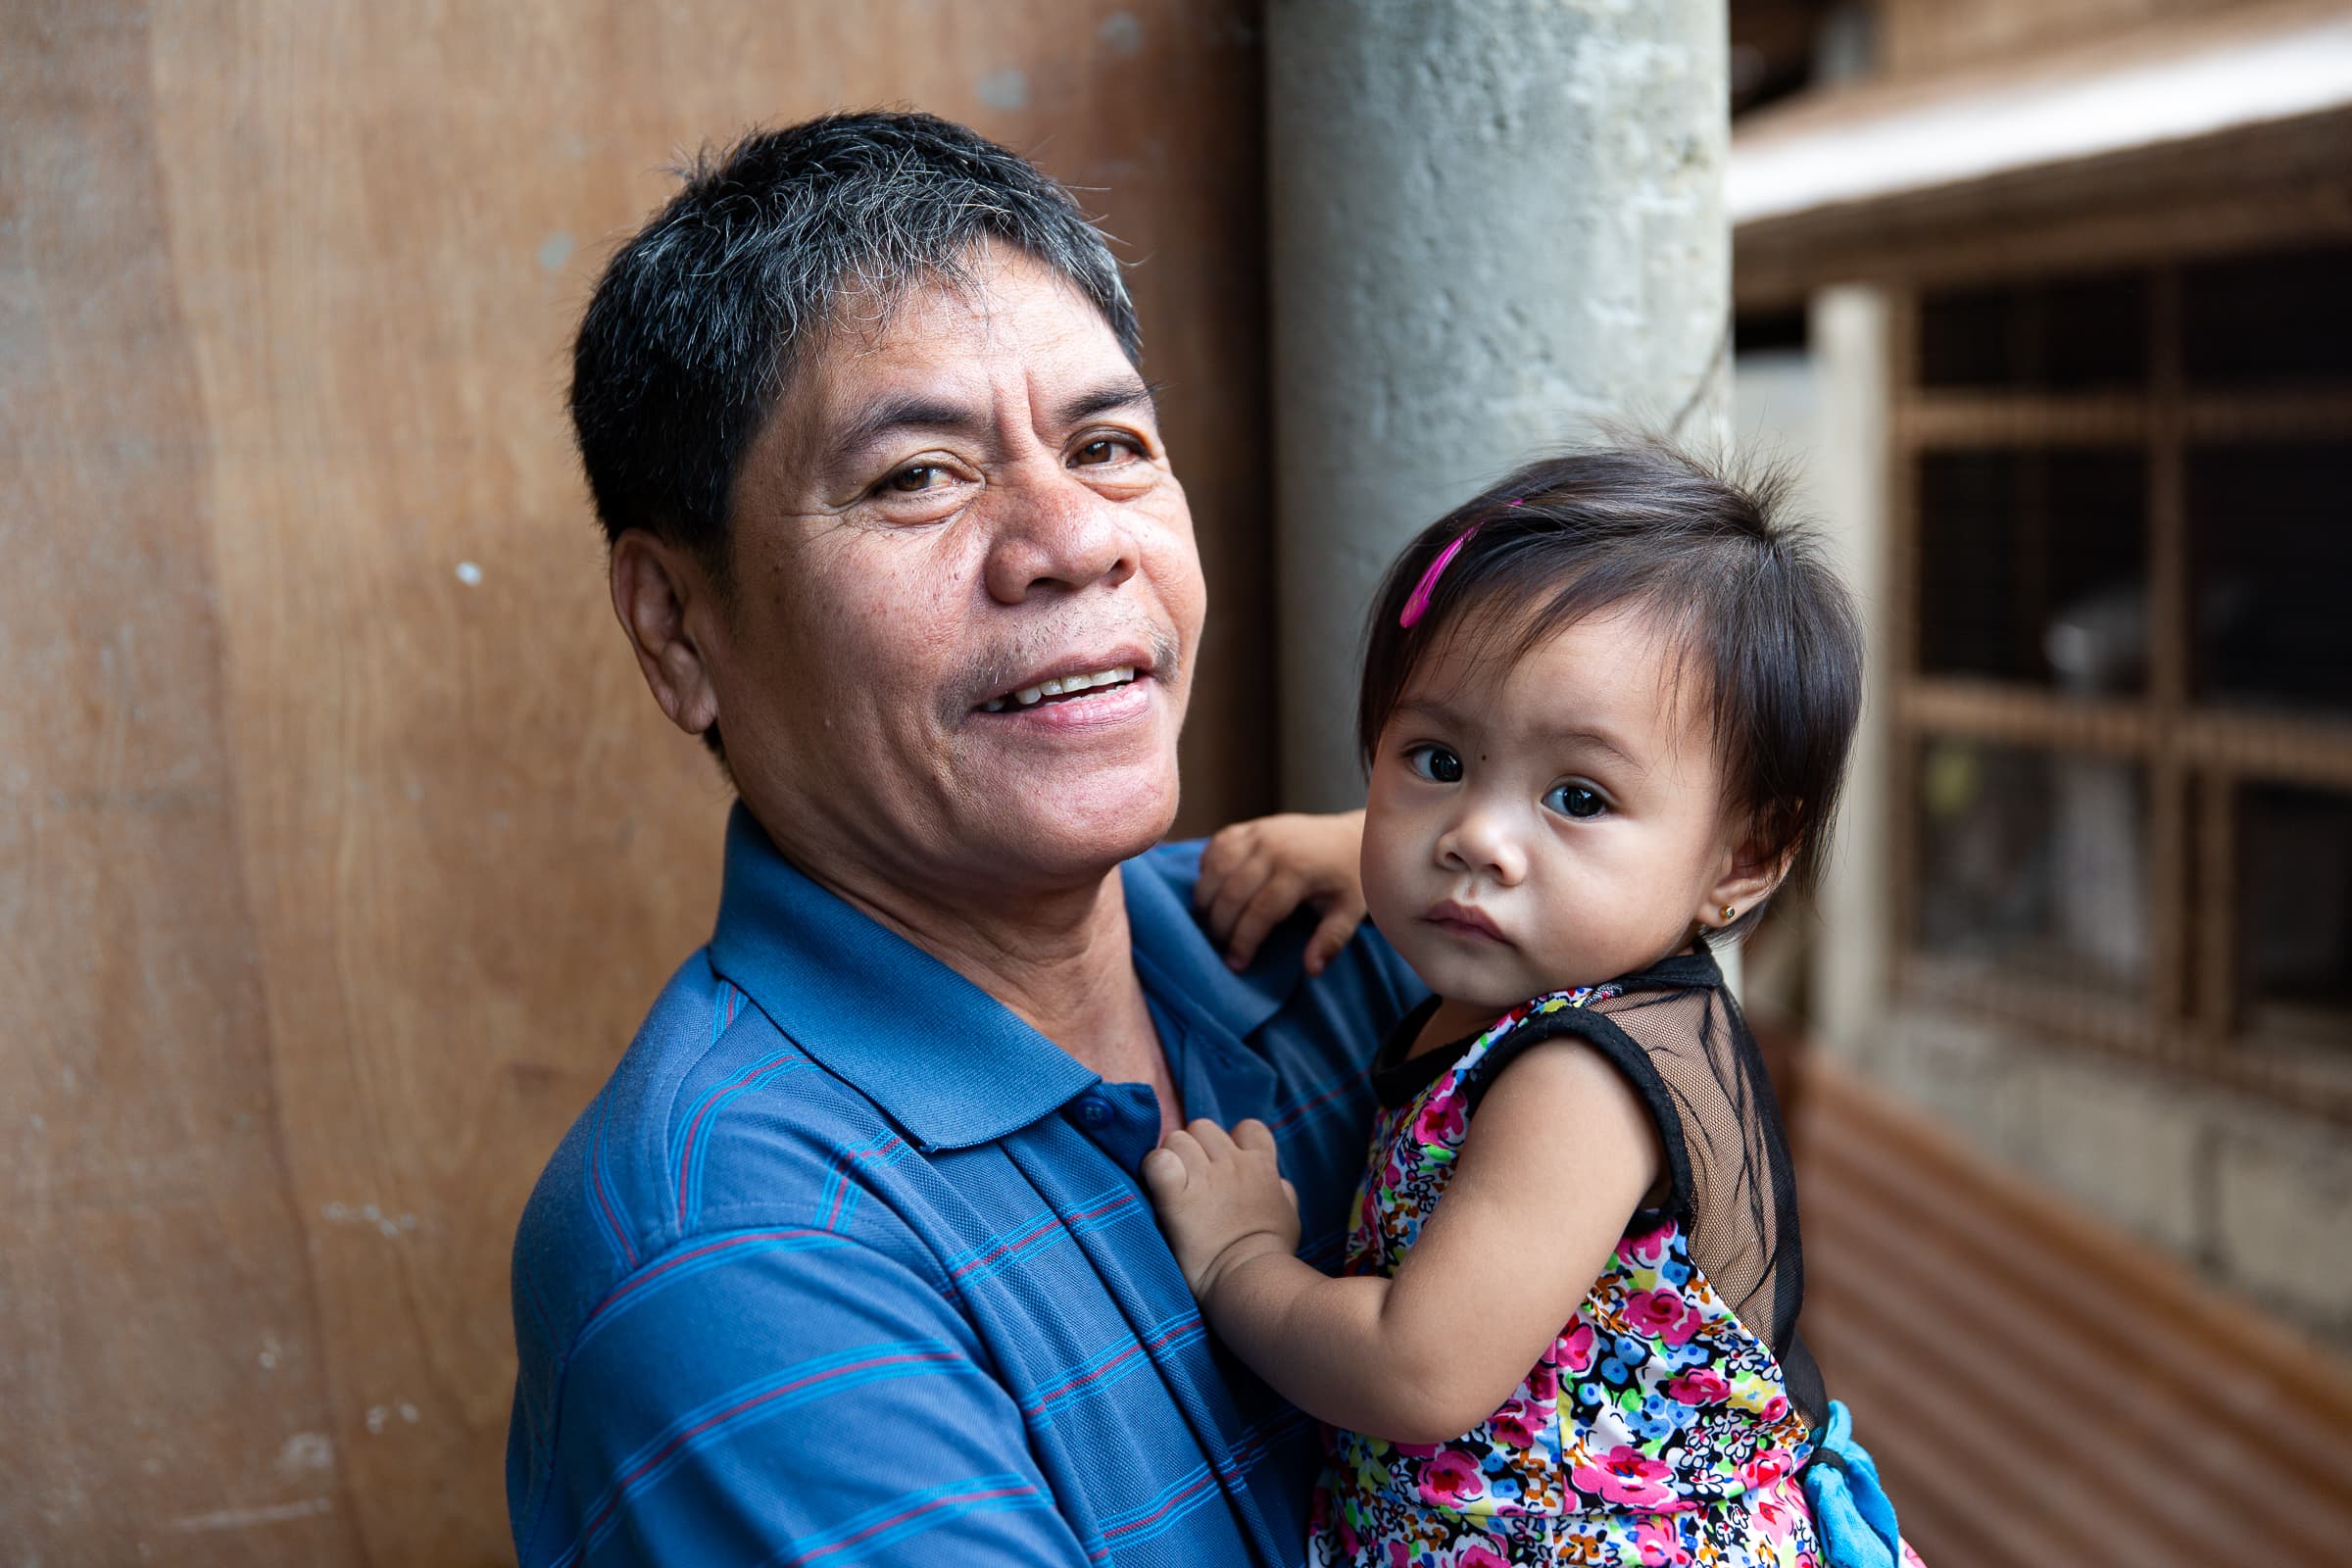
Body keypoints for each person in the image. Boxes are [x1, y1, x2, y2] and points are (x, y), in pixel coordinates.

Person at [508, 111, 1423, 1566]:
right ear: (678, 629)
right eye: (918, 477)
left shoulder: (1351, 946)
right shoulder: (736, 1241)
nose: (1074, 540)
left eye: (1109, 446)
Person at [1144, 448, 1924, 1566]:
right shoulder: (1567, 968)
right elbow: (1491, 837)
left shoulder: (1581, 1082)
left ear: (1741, 861)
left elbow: (1418, 1371)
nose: (1478, 839)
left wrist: (1240, 1262)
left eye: (1579, 797)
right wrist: (1355, 853)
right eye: (1437, 760)